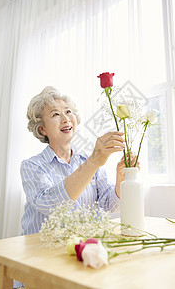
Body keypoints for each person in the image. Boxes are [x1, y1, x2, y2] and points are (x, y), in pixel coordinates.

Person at [14, 86, 139, 288]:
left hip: (77, 260)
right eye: (55, 114)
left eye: (68, 111)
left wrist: (120, 180)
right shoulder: (32, 166)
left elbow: (110, 205)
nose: (65, 118)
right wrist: (94, 162)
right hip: (38, 262)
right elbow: (51, 205)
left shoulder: (88, 162)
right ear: (42, 129)